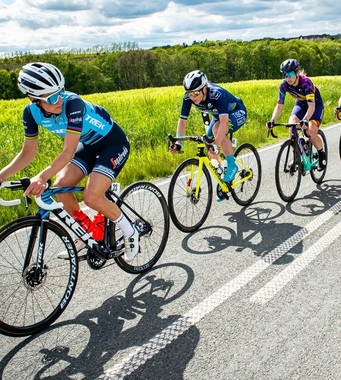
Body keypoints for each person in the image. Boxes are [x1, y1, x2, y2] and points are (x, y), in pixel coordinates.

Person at [0, 62, 138, 260]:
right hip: (88, 146)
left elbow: (68, 151)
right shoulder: (31, 113)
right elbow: (27, 153)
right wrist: (1, 176)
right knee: (61, 186)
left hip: (113, 144)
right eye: (52, 97)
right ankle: (85, 231)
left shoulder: (73, 103)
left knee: (91, 196)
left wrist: (41, 177)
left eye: (60, 92)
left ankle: (130, 230)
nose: (59, 100)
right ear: (34, 99)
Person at [169, 70, 247, 182]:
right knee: (209, 146)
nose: (193, 97)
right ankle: (225, 180)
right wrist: (179, 143)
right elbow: (182, 121)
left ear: (204, 88)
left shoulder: (216, 94)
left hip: (236, 111)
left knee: (216, 131)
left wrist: (217, 143)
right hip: (218, 116)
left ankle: (231, 165)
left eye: (196, 93)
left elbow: (224, 122)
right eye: (190, 93)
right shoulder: (188, 98)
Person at [267, 59, 326, 171]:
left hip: (315, 104)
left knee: (311, 131)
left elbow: (311, 106)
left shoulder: (306, 82)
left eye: (290, 74)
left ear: (297, 72)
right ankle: (296, 157)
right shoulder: (284, 85)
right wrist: (272, 120)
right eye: (285, 75)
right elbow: (279, 106)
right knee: (292, 125)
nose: (288, 78)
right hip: (300, 104)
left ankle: (321, 153)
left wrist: (305, 120)